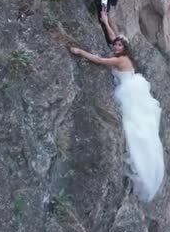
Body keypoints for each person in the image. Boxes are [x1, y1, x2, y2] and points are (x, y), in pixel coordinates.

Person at [68, 11, 164, 202]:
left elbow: (100, 60)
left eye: (120, 45)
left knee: (134, 124)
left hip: (129, 90)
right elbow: (114, 38)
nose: (116, 46)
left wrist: (79, 52)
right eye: (117, 45)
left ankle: (141, 162)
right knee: (141, 121)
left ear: (124, 49)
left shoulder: (120, 59)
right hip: (135, 86)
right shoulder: (123, 53)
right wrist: (105, 21)